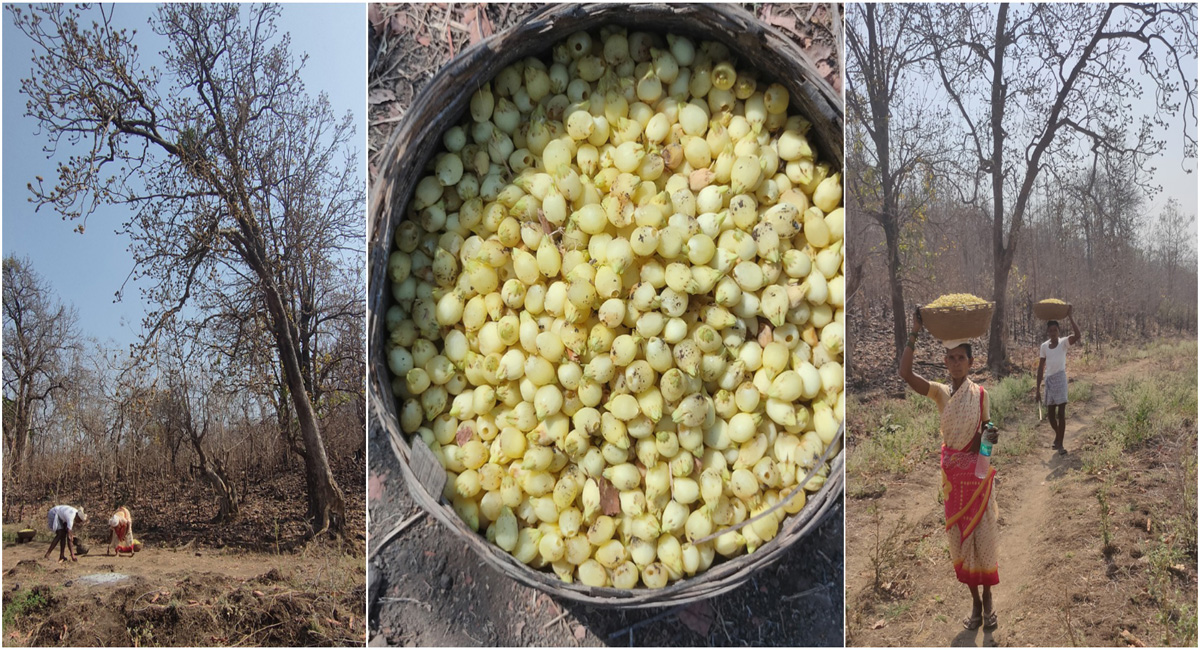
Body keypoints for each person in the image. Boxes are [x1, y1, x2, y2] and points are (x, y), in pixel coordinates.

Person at [900, 308, 1001, 630]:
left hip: (978, 477)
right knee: (960, 540)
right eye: (951, 358)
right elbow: (905, 373)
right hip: (953, 481)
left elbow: (987, 433)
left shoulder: (981, 394)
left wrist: (990, 437)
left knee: (983, 538)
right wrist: (914, 331)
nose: (956, 363)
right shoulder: (941, 393)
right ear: (945, 362)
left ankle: (988, 600)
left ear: (971, 363)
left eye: (961, 358)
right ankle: (974, 601)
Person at [1035, 308, 1081, 453]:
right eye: (1050, 330)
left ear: (1058, 331)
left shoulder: (1063, 343)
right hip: (1049, 381)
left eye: (1055, 330)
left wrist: (1070, 317)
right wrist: (1037, 389)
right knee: (1050, 415)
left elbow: (1078, 335)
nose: (1053, 333)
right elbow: (1041, 368)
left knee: (1061, 413)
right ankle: (1058, 435)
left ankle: (1060, 444)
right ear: (1048, 332)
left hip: (1060, 379)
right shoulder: (1044, 347)